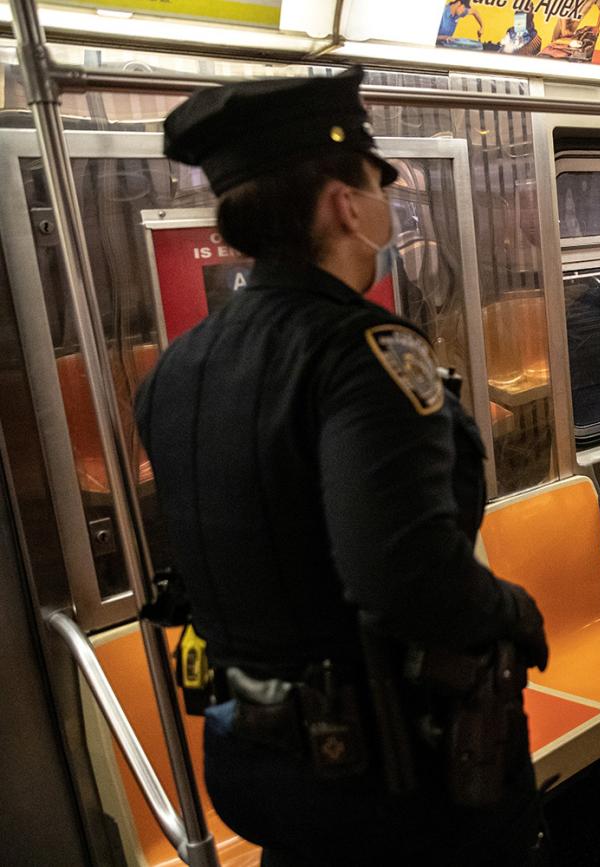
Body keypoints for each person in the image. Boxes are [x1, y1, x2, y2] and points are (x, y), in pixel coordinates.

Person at [135, 68, 548, 865]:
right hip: (389, 777)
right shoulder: (362, 355)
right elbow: (404, 572)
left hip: (253, 760)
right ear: (341, 205)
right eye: (374, 181)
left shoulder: (176, 370)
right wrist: (510, 610)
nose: (385, 202)